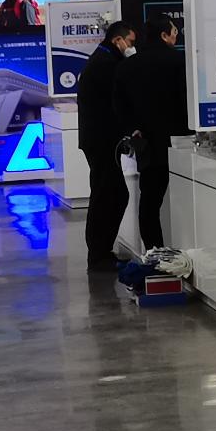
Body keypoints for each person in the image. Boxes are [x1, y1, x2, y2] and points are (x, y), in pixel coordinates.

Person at [75, 19, 138, 269]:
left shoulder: (103, 59)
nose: (132, 47)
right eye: (130, 42)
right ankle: (99, 254)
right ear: (118, 40)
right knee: (109, 194)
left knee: (111, 194)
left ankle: (101, 252)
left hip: (99, 139)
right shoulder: (106, 65)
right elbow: (117, 102)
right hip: (101, 140)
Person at [131, 10, 189, 252]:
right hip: (181, 142)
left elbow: (120, 103)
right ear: (164, 35)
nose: (177, 35)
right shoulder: (180, 62)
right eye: (174, 31)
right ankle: (188, 251)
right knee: (188, 199)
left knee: (150, 202)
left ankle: (154, 252)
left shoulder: (130, 65)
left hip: (148, 143)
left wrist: (134, 129)